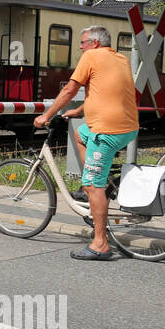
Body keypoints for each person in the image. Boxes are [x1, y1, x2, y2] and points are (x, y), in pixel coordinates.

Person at [32, 25, 139, 261]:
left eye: (83, 42)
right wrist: (81, 111)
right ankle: (91, 185)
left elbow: (70, 89)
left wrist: (46, 116)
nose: (80, 47)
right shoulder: (120, 58)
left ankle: (100, 243)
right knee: (81, 135)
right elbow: (109, 92)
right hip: (127, 127)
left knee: (93, 185)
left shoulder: (91, 56)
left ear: (95, 43)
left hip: (108, 131)